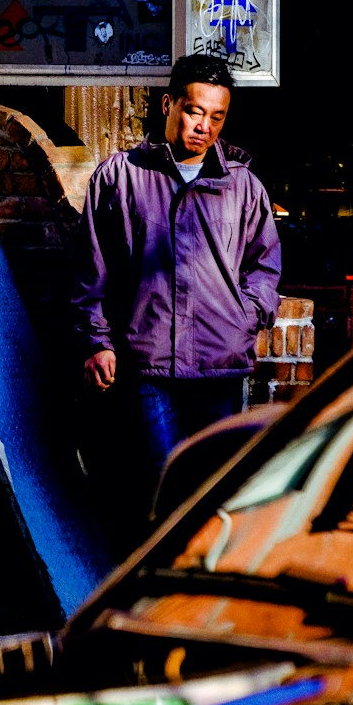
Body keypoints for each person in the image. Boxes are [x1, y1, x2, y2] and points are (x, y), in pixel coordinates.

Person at [70, 52, 281, 513]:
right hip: (149, 367)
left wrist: (246, 317)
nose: (204, 125)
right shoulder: (120, 178)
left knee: (213, 495)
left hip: (220, 367)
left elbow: (265, 267)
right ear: (168, 105)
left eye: (217, 117)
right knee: (160, 491)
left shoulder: (242, 186)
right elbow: (92, 270)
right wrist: (97, 341)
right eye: (195, 111)